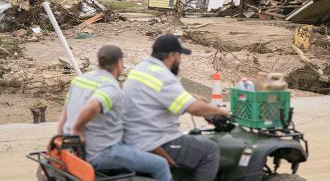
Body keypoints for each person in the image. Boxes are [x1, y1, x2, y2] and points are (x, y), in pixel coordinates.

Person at [123, 35, 230, 181]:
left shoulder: (141, 69)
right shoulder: (163, 76)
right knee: (210, 150)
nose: (180, 60)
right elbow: (194, 109)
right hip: (154, 141)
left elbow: (162, 95)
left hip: (134, 136)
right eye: (180, 56)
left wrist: (191, 97)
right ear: (172, 55)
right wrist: (222, 111)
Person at [57, 45, 171, 181]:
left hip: (75, 150)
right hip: (101, 152)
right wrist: (76, 129)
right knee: (161, 165)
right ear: (119, 63)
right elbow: (93, 105)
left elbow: (65, 113)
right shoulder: (110, 87)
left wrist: (60, 140)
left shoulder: (79, 80)